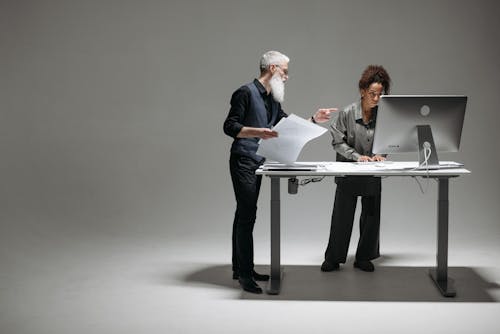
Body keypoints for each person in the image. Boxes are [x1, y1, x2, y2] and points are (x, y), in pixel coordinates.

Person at [224, 51, 335, 293]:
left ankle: (240, 267)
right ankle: (245, 275)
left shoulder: (272, 99)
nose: (286, 76)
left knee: (244, 213)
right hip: (243, 160)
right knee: (247, 214)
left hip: (259, 161)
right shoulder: (245, 92)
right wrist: (258, 132)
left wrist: (314, 120)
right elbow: (229, 126)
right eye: (284, 71)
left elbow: (285, 126)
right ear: (272, 68)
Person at [321, 65, 391, 273]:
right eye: (372, 94)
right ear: (362, 91)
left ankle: (364, 257)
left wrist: (381, 154)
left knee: (371, 217)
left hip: (372, 172)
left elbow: (389, 140)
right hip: (348, 173)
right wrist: (356, 157)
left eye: (380, 94)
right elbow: (337, 142)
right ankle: (333, 258)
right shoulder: (347, 113)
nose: (377, 99)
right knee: (342, 217)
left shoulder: (384, 115)